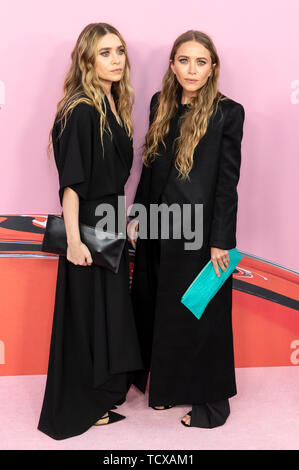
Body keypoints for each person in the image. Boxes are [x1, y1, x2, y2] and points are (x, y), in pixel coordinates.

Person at [127, 30, 245, 428]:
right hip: (159, 228)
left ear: (213, 67)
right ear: (173, 64)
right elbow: (149, 167)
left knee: (199, 316)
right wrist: (137, 215)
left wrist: (220, 241)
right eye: (183, 60)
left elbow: (227, 183)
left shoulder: (229, 112)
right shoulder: (161, 102)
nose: (191, 69)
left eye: (200, 61)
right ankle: (165, 388)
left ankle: (211, 405)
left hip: (199, 236)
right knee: (159, 311)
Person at [38, 23, 143, 440]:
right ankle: (77, 404)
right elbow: (71, 183)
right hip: (87, 227)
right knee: (84, 317)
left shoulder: (110, 102)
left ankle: (99, 395)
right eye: (105, 53)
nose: (116, 60)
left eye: (119, 51)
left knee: (105, 315)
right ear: (87, 59)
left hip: (109, 223)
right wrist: (76, 241)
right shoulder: (81, 109)